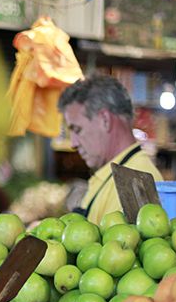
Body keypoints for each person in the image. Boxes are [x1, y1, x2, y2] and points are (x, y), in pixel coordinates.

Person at [57, 75, 163, 224]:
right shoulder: (113, 174)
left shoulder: (137, 182)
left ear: (105, 120)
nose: (73, 143)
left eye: (77, 129)